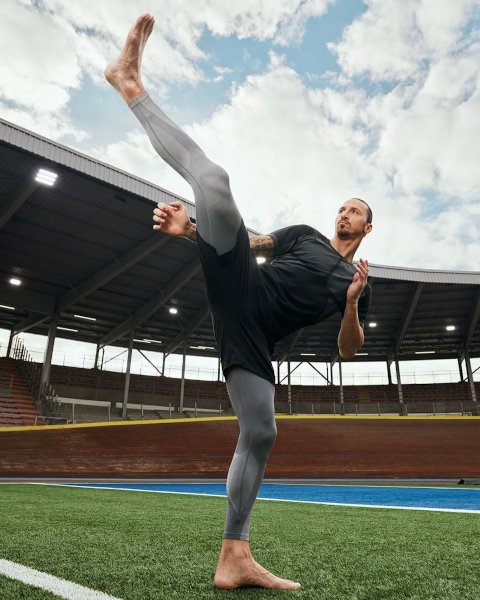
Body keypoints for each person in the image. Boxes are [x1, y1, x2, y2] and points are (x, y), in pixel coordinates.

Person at [105, 14, 372, 591]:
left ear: (368, 227)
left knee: (262, 431)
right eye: (343, 206)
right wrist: (194, 229)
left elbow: (349, 352)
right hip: (244, 288)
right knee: (216, 182)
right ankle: (130, 84)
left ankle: (234, 555)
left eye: (355, 210)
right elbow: (250, 242)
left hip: (257, 335)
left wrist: (351, 302)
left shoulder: (356, 281)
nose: (344, 212)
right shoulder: (303, 233)